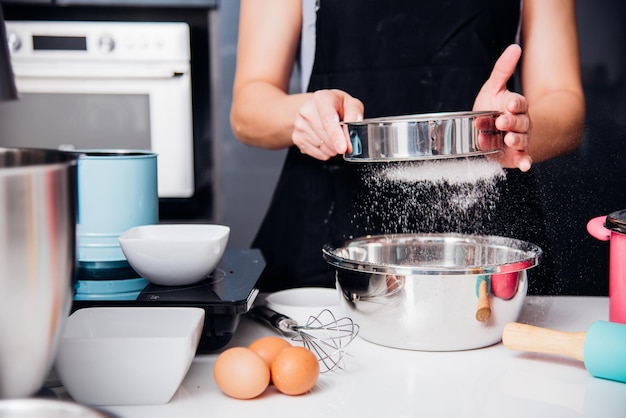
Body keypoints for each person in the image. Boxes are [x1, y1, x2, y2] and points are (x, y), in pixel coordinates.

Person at [230, 0, 585, 294]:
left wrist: (516, 130)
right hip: (328, 236)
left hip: (487, 242)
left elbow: (565, 104)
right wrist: (304, 115)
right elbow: (248, 108)